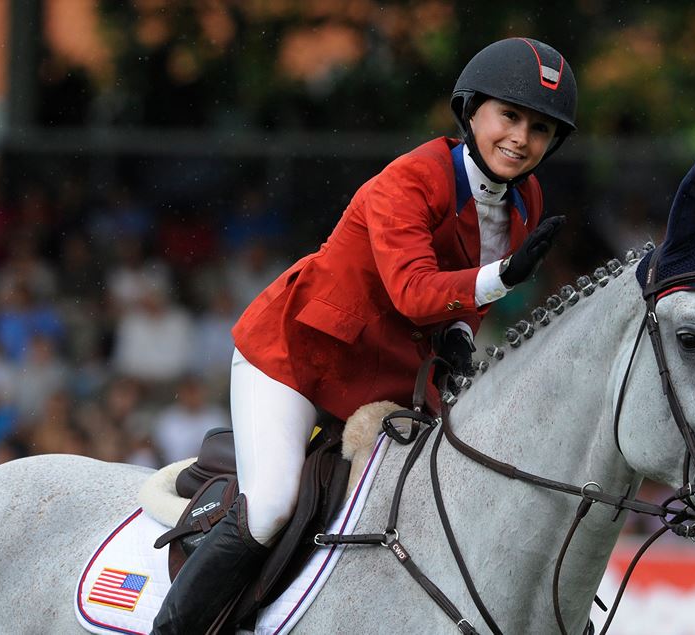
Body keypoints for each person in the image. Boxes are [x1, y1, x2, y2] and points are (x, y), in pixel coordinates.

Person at [152, 37, 577, 633]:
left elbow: (465, 297)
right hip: (296, 359)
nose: (521, 138)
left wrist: (459, 333)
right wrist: (505, 277)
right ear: (471, 110)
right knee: (271, 505)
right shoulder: (409, 180)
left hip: (388, 378)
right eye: (509, 116)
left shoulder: (525, 198)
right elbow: (413, 290)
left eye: (539, 129)